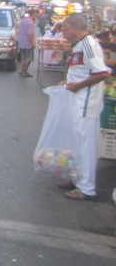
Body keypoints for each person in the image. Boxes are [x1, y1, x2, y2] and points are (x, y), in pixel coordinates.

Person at [58, 13, 110, 200]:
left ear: (74, 27)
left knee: (86, 145)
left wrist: (78, 85)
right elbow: (82, 70)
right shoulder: (79, 45)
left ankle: (86, 187)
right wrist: (69, 80)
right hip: (77, 101)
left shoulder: (88, 45)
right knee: (77, 142)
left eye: (65, 27)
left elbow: (102, 73)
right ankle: (76, 178)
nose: (62, 31)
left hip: (86, 103)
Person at [18, 9, 37, 77]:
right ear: (33, 14)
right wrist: (32, 43)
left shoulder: (22, 20)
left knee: (23, 57)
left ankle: (21, 70)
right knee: (28, 58)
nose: (36, 17)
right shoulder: (30, 22)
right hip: (27, 43)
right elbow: (30, 34)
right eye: (35, 15)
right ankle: (24, 72)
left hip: (21, 42)